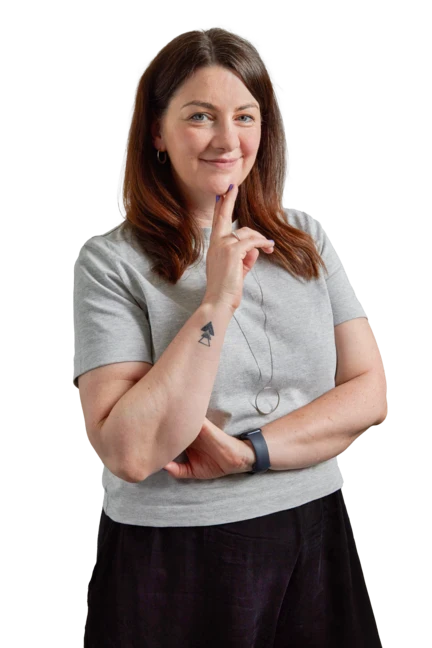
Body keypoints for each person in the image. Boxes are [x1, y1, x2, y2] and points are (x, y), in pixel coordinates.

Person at [74, 26, 386, 648]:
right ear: (156, 133)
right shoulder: (109, 264)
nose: (227, 139)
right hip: (176, 559)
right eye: (199, 116)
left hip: (316, 533)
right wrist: (214, 300)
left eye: (245, 115)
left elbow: (370, 394)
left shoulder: (305, 237)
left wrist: (250, 453)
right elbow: (131, 452)